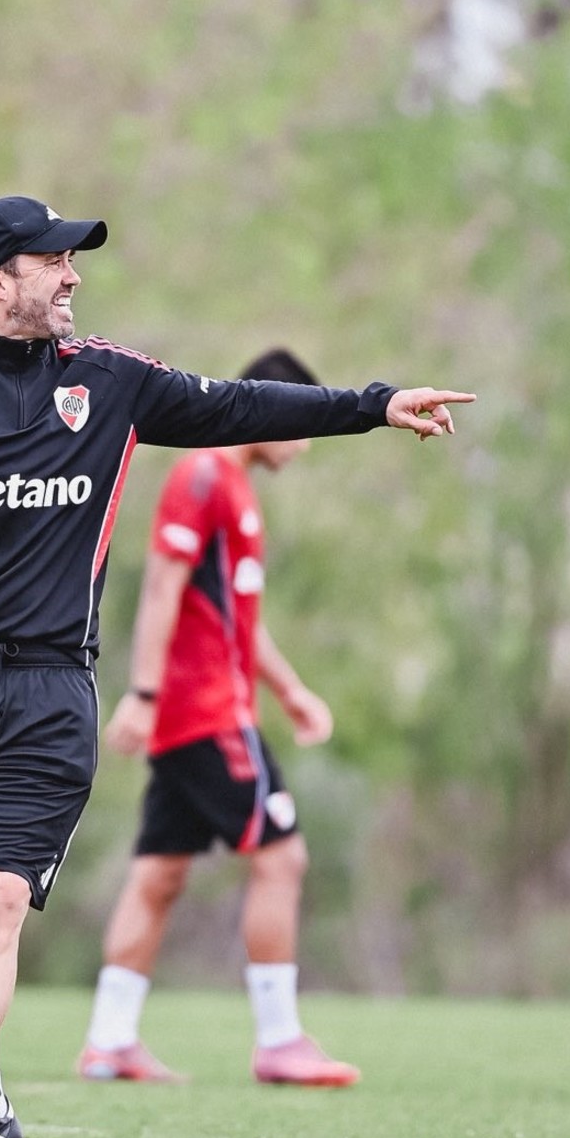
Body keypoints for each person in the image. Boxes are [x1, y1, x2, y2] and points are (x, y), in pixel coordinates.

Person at [0, 196, 472, 1138]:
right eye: (52, 260)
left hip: (48, 690)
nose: (72, 275)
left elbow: (240, 405)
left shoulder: (108, 381)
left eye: (74, 259)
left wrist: (373, 404)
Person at [78, 348, 359, 1088]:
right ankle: (280, 1039)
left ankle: (109, 1041)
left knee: (160, 873)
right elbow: (161, 589)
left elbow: (237, 620)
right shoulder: (203, 476)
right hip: (206, 712)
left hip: (198, 713)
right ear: (272, 408)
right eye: (302, 423)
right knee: (282, 857)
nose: (305, 443)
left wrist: (290, 691)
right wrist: (142, 694)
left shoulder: (236, 490)